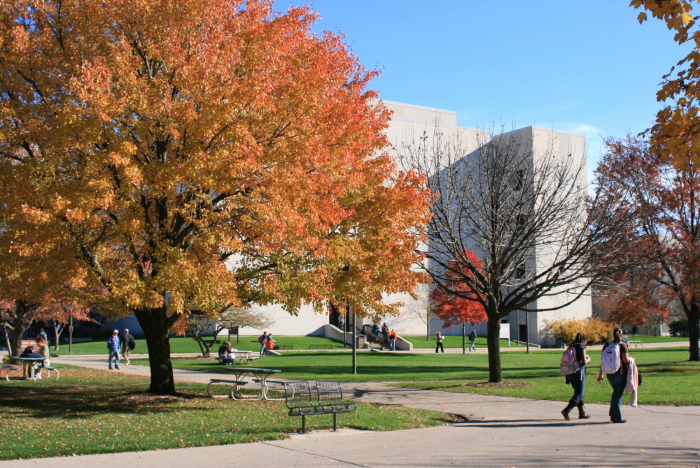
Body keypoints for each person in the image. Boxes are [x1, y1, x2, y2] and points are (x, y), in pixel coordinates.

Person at [598, 328, 631, 423]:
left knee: (616, 391)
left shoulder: (607, 345)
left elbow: (603, 361)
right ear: (622, 335)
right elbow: (625, 360)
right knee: (618, 393)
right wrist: (631, 360)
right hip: (620, 371)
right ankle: (616, 417)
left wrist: (601, 374)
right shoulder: (622, 345)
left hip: (609, 372)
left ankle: (613, 413)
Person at [561, 332, 591, 420]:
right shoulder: (581, 347)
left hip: (570, 372)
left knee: (578, 392)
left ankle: (582, 413)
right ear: (584, 340)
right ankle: (566, 410)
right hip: (579, 372)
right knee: (579, 394)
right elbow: (584, 361)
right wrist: (588, 360)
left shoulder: (571, 347)